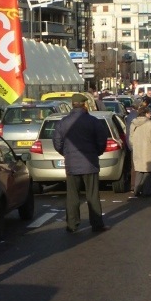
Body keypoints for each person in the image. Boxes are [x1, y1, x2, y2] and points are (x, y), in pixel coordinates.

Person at [52, 91, 109, 232]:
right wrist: (97, 152)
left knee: (72, 196)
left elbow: (57, 142)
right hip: (90, 163)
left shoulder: (63, 122)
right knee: (92, 195)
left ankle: (72, 224)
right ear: (84, 105)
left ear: (73, 105)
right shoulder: (93, 122)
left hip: (71, 164)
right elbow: (102, 140)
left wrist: (66, 153)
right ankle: (96, 224)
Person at [129, 104, 151, 197]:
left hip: (137, 150)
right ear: (146, 113)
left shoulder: (133, 123)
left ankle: (137, 189)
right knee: (149, 171)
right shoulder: (150, 124)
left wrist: (134, 146)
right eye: (149, 113)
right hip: (148, 150)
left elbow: (131, 138)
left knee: (139, 170)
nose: (150, 115)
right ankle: (147, 191)